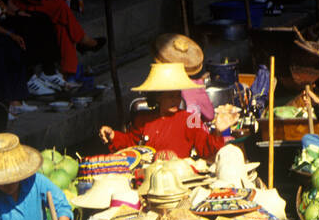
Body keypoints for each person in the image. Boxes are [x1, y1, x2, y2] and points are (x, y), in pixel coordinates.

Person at [99, 61, 234, 160]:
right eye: (170, 96)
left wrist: (217, 131)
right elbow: (129, 142)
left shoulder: (190, 118)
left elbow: (204, 146)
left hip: (178, 174)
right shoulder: (143, 119)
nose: (175, 100)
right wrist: (113, 136)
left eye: (178, 95)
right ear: (158, 97)